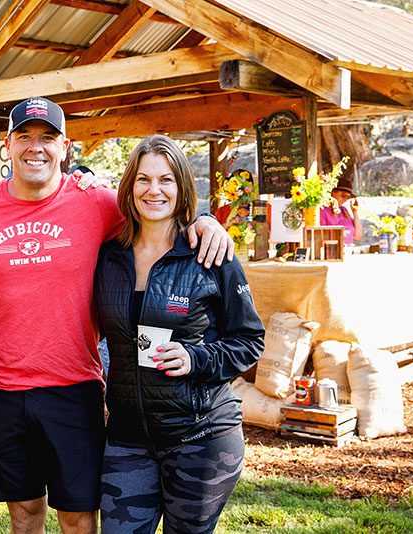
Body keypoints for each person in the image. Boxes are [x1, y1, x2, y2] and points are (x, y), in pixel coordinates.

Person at [0, 97, 234, 534]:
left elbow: (158, 206)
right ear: (6, 145)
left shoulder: (97, 203)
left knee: (79, 518)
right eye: (24, 136)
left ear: (65, 147)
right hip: (1, 387)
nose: (35, 147)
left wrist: (204, 220)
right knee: (23, 515)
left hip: (74, 387)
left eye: (47, 138)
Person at [94, 135, 265, 533]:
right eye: (143, 179)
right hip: (127, 437)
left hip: (200, 436)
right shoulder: (108, 256)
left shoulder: (208, 253)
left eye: (166, 180)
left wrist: (195, 358)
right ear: (129, 187)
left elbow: (250, 340)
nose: (154, 190)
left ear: (183, 187)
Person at [320, 177, 362, 244]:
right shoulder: (322, 211)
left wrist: (355, 213)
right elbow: (320, 237)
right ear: (332, 192)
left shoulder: (344, 211)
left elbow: (358, 236)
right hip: (332, 251)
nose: (345, 199)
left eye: (348, 197)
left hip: (347, 250)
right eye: (343, 195)